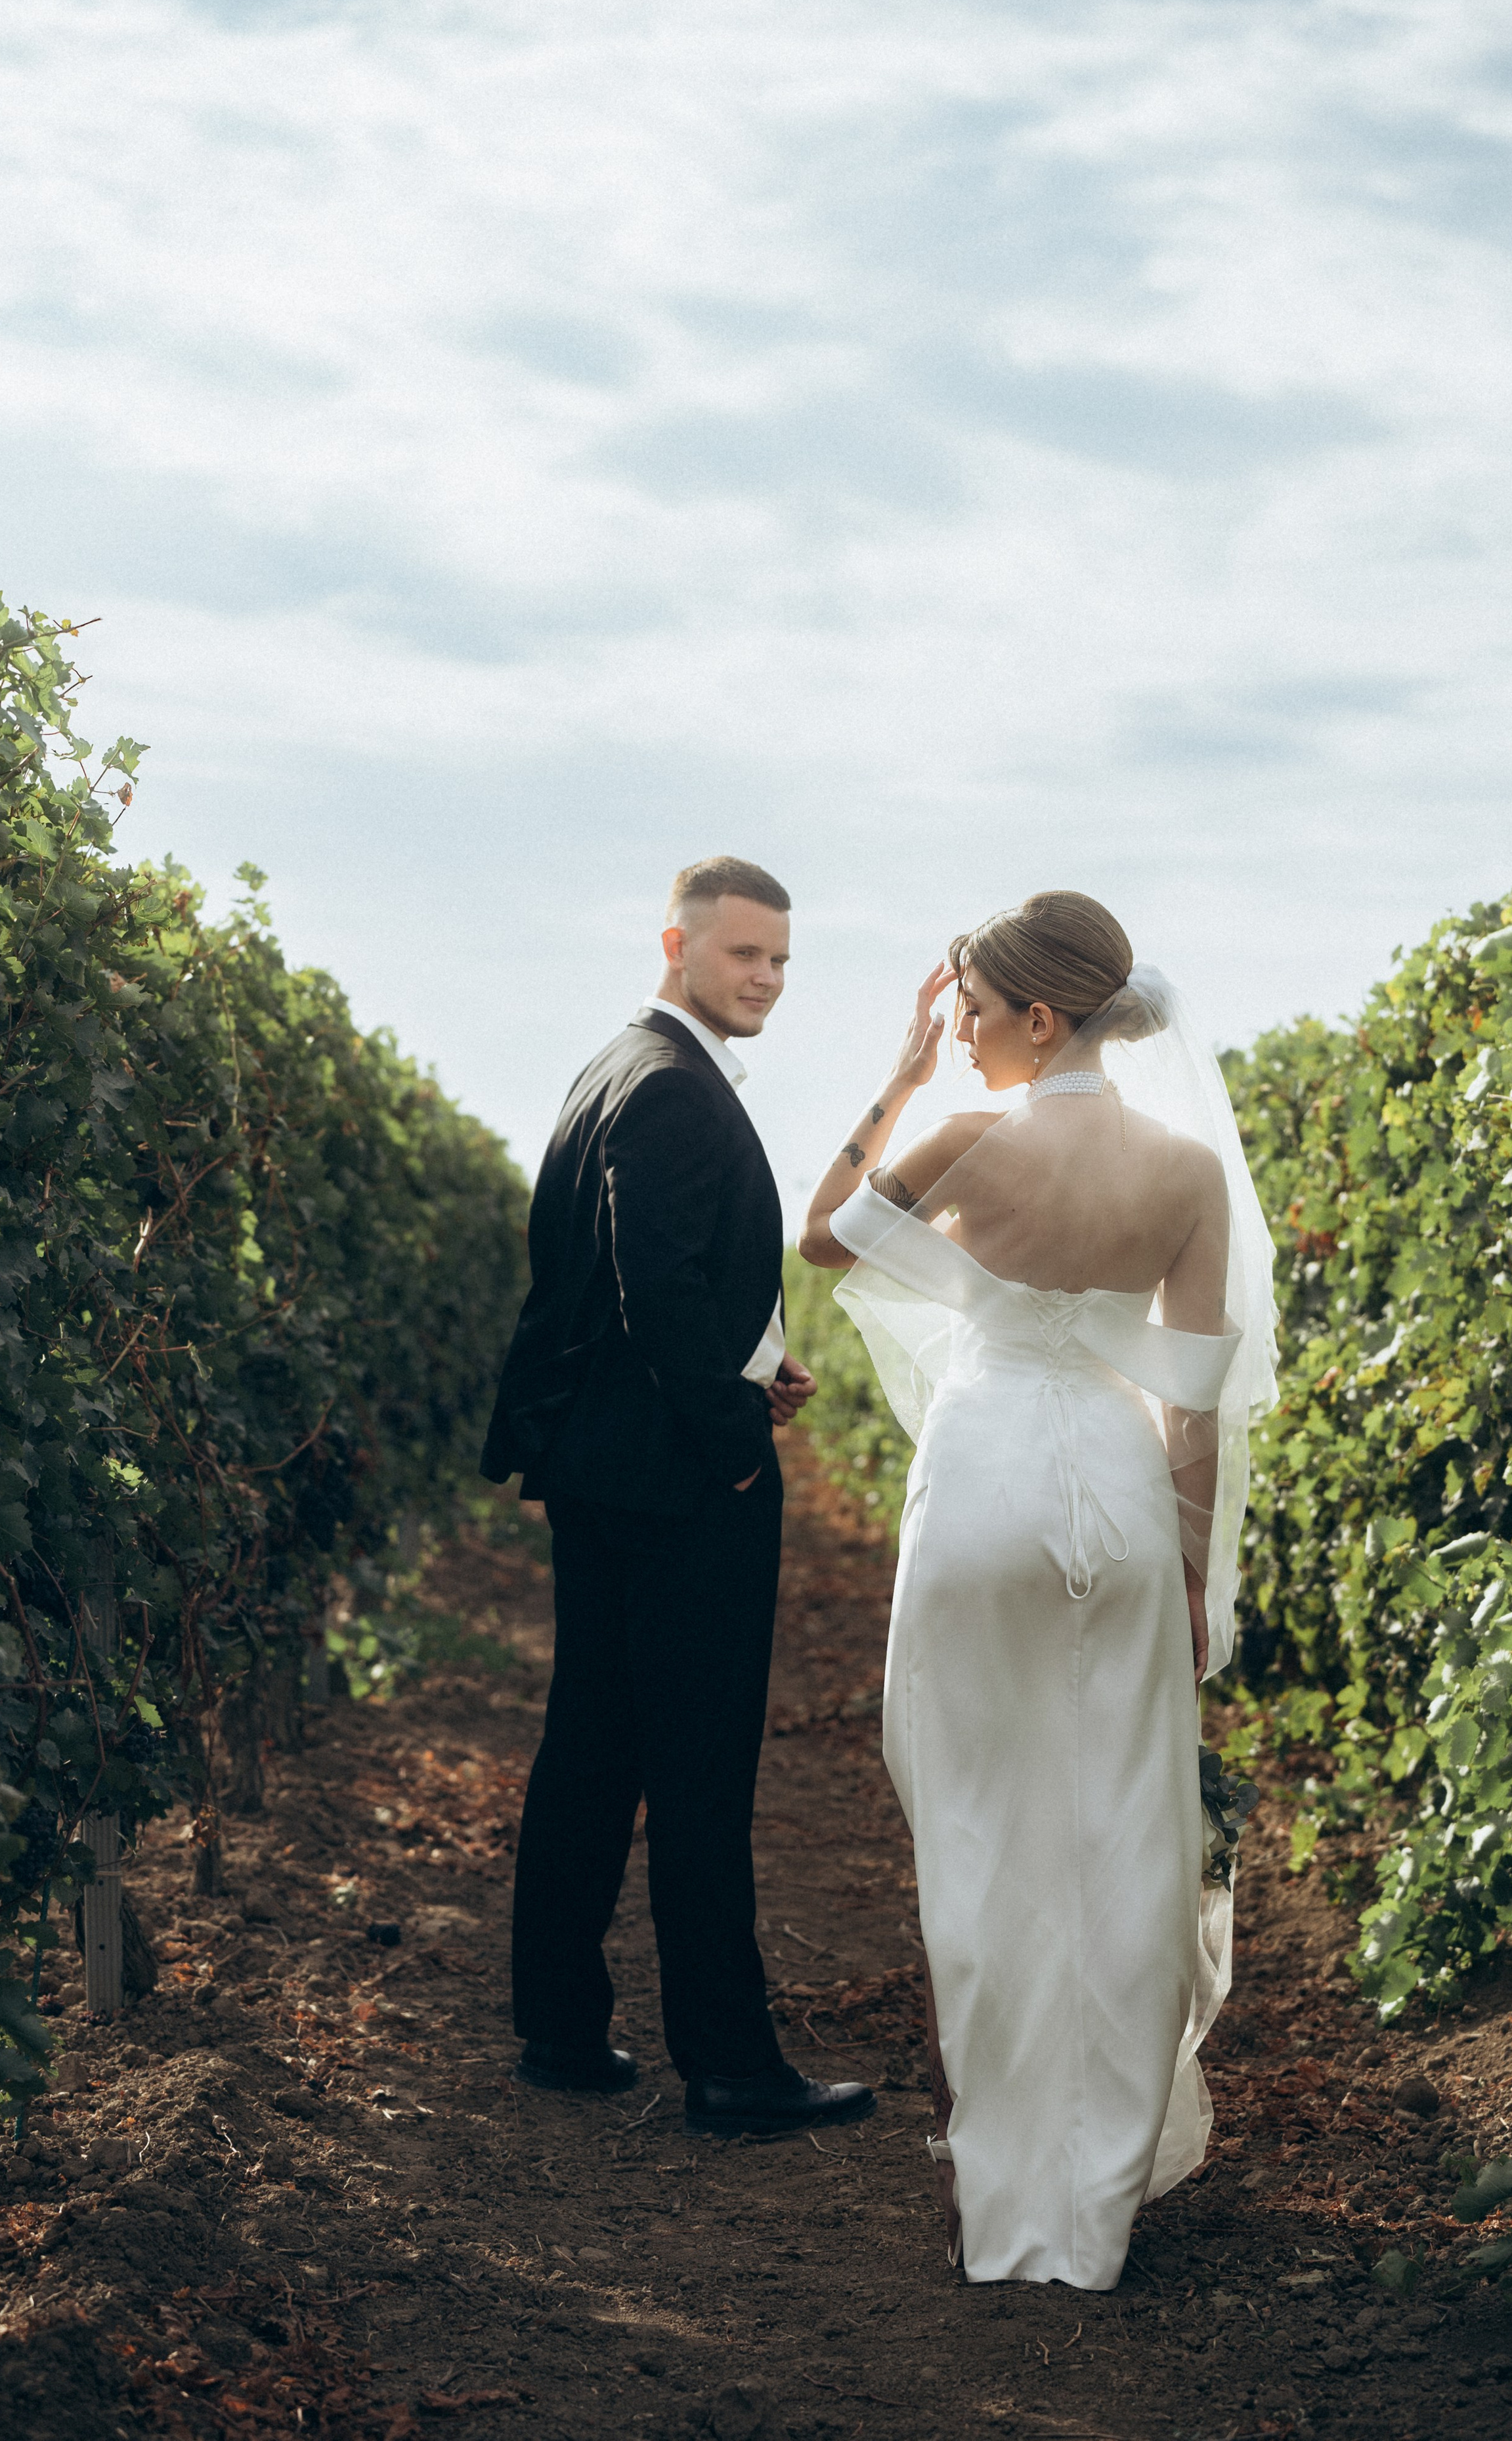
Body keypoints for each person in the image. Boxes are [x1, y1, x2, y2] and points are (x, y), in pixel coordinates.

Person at [798, 891, 1276, 2285]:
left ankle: (1003, 2179)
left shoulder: (960, 1138)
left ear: (1040, 1016)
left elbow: (824, 1235)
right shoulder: (1185, 1173)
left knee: (977, 1825)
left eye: (970, 1008)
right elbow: (1191, 1411)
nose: (956, 1032)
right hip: (1116, 1504)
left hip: (982, 1487)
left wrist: (895, 1082)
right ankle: (1099, 2195)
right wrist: (1191, 1575)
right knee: (1120, 1832)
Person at [482, 856, 876, 2138]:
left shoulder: (617, 1069)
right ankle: (728, 2066)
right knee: (699, 1769)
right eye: (741, 955)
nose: (763, 978)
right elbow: (648, 1286)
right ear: (677, 943)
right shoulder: (669, 1087)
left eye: (778, 960)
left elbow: (633, 1284)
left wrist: (754, 1363)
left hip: (606, 1469)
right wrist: (733, 1434)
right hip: (672, 1481)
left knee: (591, 1742)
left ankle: (558, 2024)